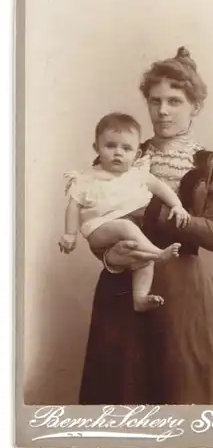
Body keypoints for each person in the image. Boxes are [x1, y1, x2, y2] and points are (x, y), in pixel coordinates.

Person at [79, 46, 213, 405]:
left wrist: (163, 215)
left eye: (174, 101)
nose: (162, 111)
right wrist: (109, 256)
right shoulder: (123, 154)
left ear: (195, 106)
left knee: (179, 401)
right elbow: (96, 221)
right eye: (155, 100)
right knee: (119, 401)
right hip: (122, 292)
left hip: (182, 297)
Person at [58, 112, 190, 312]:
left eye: (126, 148)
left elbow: (162, 189)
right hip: (98, 229)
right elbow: (73, 205)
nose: (118, 152)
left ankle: (140, 299)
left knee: (141, 258)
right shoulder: (87, 178)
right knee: (128, 228)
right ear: (97, 148)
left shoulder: (138, 174)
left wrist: (177, 206)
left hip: (124, 235)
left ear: (136, 154)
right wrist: (70, 234)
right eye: (110, 146)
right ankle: (158, 254)